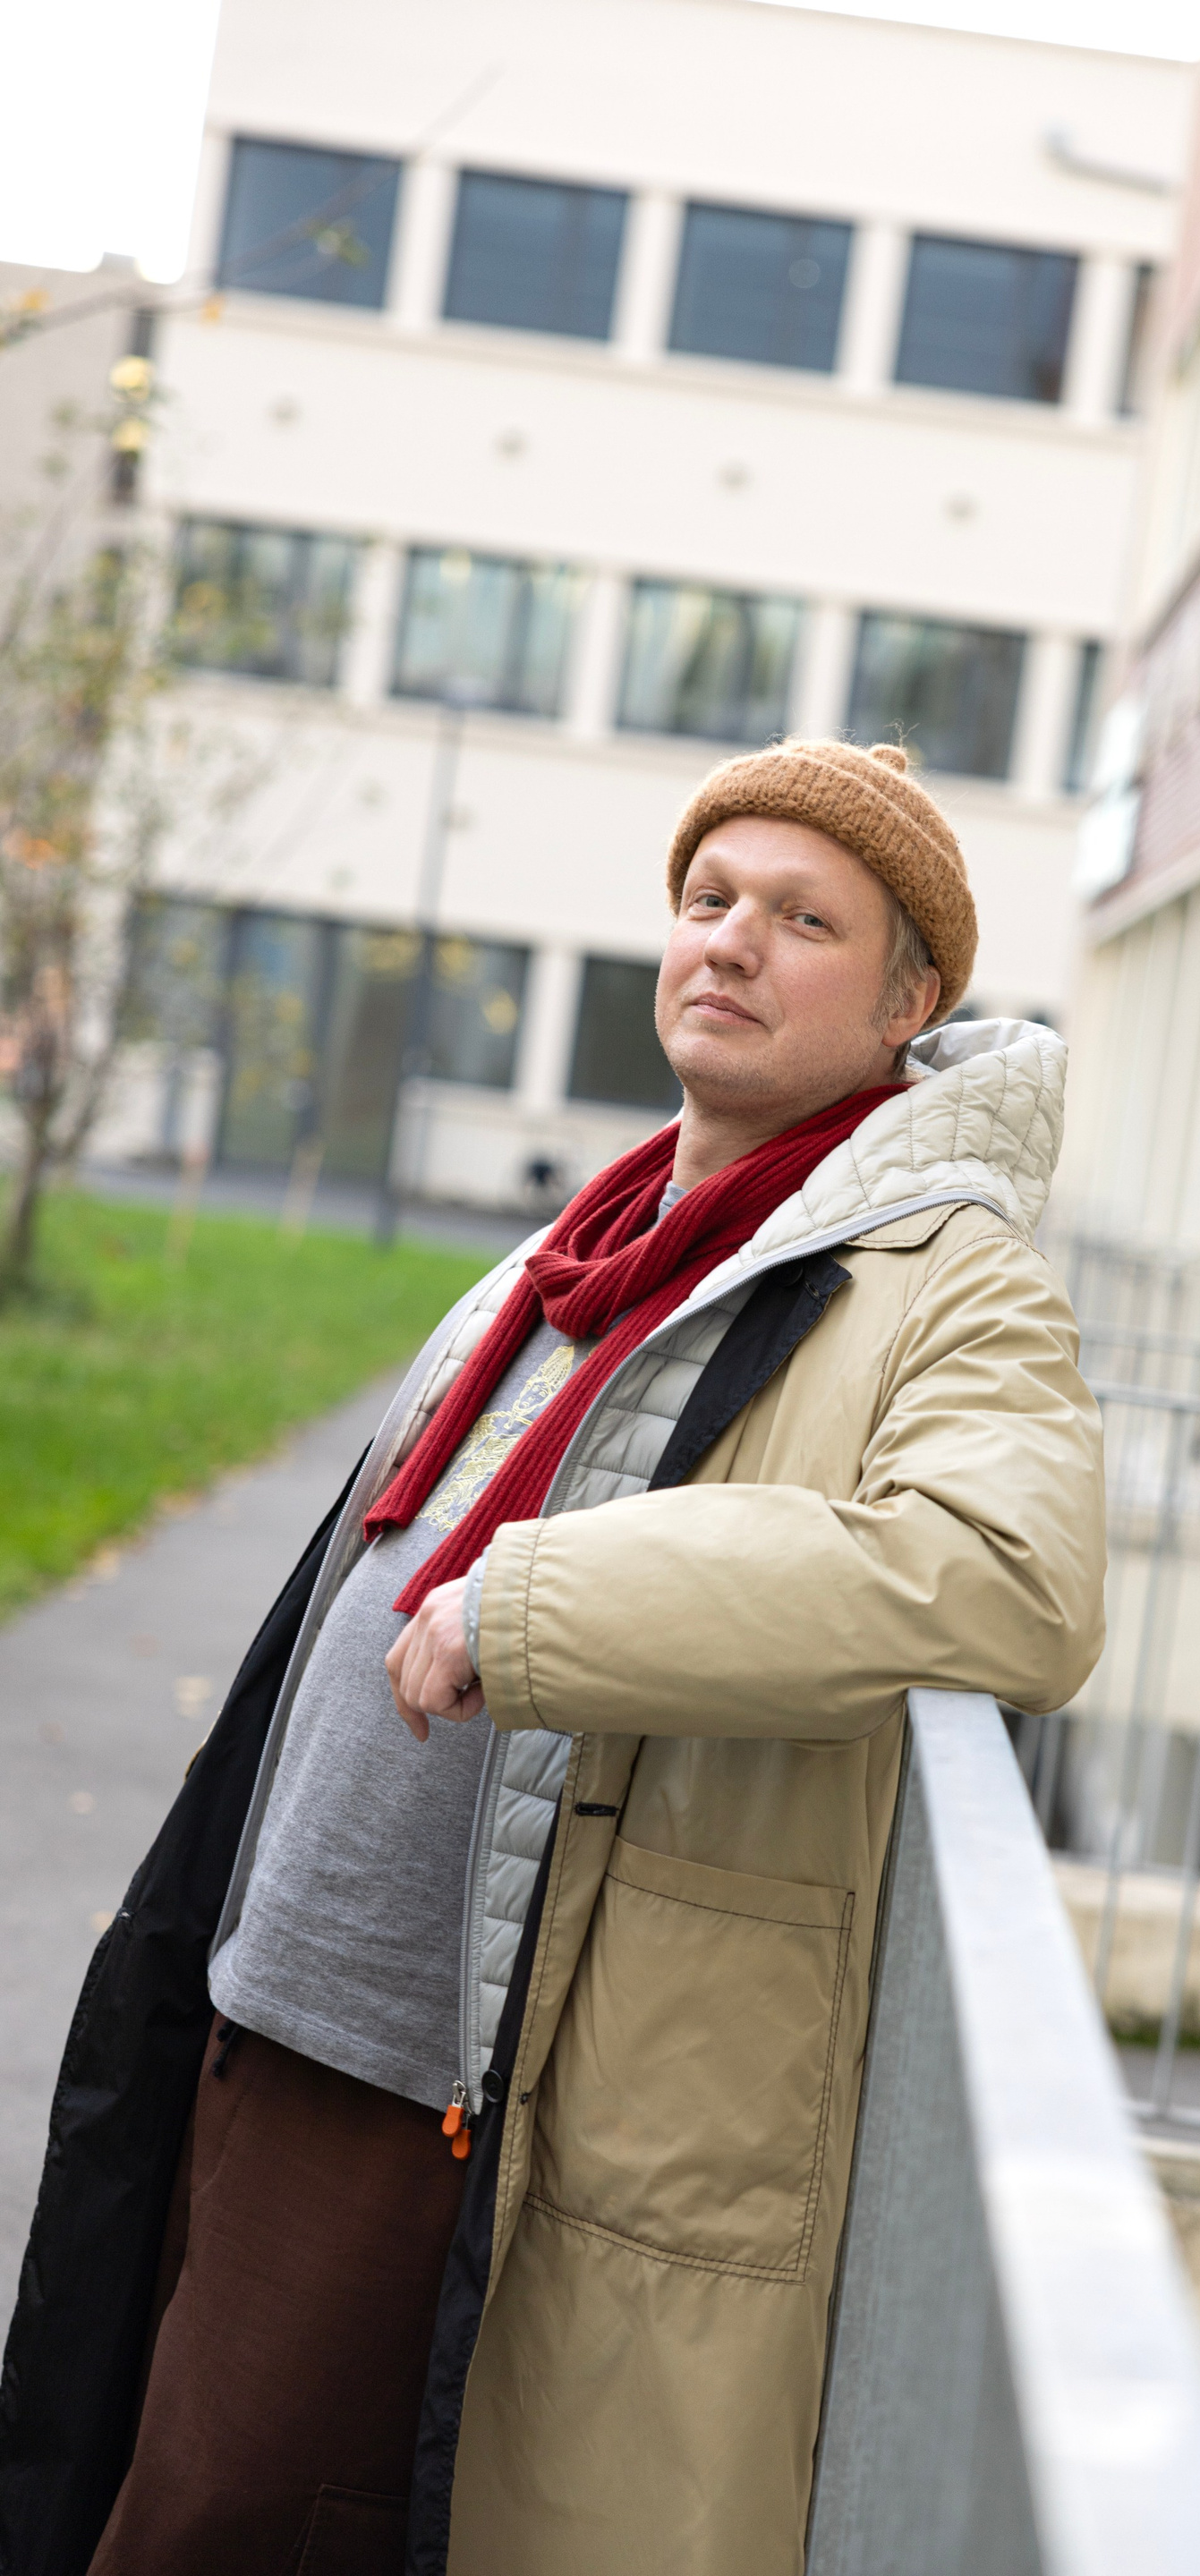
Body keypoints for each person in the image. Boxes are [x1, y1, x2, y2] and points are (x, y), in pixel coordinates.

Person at [0, 738, 1106, 2576]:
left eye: (803, 920)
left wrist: (538, 1609)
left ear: (911, 1003)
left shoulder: (948, 1278)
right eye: (709, 899)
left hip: (441, 2085)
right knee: (142, 2479)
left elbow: (1011, 1573)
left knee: (222, 2528)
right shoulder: (591, 1239)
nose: (729, 941)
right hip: (271, 2008)